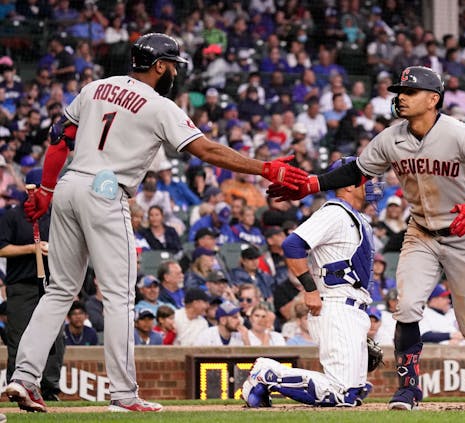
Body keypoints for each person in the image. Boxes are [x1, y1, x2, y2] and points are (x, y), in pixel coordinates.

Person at [8, 33, 307, 414]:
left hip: (68, 186)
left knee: (59, 291)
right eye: (173, 66)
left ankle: (23, 377)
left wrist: (46, 190)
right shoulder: (158, 104)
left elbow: (58, 138)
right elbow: (206, 150)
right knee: (119, 297)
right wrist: (266, 168)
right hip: (105, 191)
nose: (175, 74)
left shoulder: (96, 87)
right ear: (161, 66)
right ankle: (123, 394)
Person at [267, 66, 465, 409]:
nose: (401, 97)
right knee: (407, 308)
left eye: (409, 92)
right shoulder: (391, 137)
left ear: (433, 99)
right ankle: (409, 388)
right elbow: (356, 170)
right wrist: (312, 184)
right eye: (399, 91)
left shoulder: (460, 133)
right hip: (421, 232)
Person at [242, 156, 382, 408]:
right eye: (366, 179)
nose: (371, 184)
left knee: (354, 393)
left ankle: (270, 377)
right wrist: (310, 289)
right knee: (340, 393)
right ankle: (266, 373)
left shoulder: (357, 218)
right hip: (337, 304)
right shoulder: (335, 212)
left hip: (353, 308)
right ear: (348, 184)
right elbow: (292, 244)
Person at [0, 168, 64, 401]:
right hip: (22, 286)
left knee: (55, 339)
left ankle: (49, 388)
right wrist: (32, 248)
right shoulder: (13, 216)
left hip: (52, 285)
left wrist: (52, 250)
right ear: (31, 189)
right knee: (18, 337)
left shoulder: (58, 215)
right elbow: (1, 248)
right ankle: (16, 387)